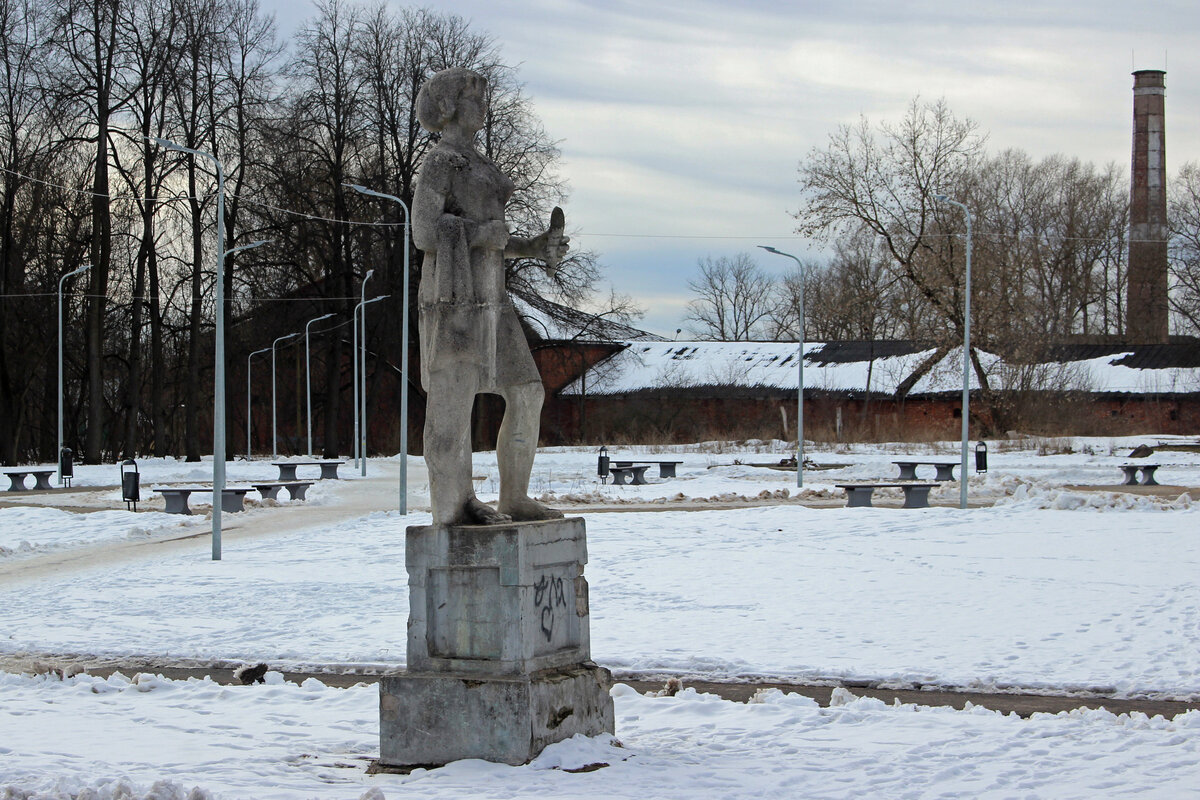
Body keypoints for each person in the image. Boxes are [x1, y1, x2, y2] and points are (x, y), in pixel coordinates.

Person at [412, 66, 568, 526]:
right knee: (453, 406)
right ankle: (453, 505)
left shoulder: (481, 165)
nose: (484, 105)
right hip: (454, 302)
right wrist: (481, 234)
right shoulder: (441, 161)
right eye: (474, 97)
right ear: (449, 106)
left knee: (527, 392)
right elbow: (423, 231)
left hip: (493, 301)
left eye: (484, 97)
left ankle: (515, 497)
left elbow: (496, 238)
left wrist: (534, 246)